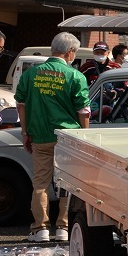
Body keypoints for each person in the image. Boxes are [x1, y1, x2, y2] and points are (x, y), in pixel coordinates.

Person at [15, 32, 90, 243]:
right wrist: (84, 137)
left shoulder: (31, 74)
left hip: (40, 135)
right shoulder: (75, 76)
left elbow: (21, 103)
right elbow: (83, 111)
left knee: (40, 183)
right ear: (69, 52)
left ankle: (40, 229)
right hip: (68, 137)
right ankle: (63, 228)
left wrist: (25, 132)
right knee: (66, 183)